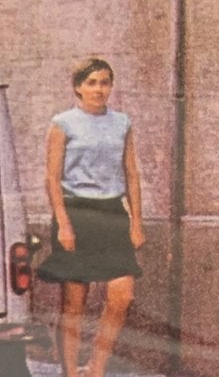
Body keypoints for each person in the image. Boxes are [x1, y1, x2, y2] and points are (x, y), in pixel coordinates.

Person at [37, 58, 143, 377]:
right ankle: (70, 373)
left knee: (122, 295)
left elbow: (132, 174)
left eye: (105, 82)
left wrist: (136, 221)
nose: (99, 89)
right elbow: (52, 178)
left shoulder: (121, 123)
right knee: (74, 305)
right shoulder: (63, 123)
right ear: (78, 88)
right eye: (92, 83)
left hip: (112, 214)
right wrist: (64, 224)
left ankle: (96, 369)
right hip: (76, 213)